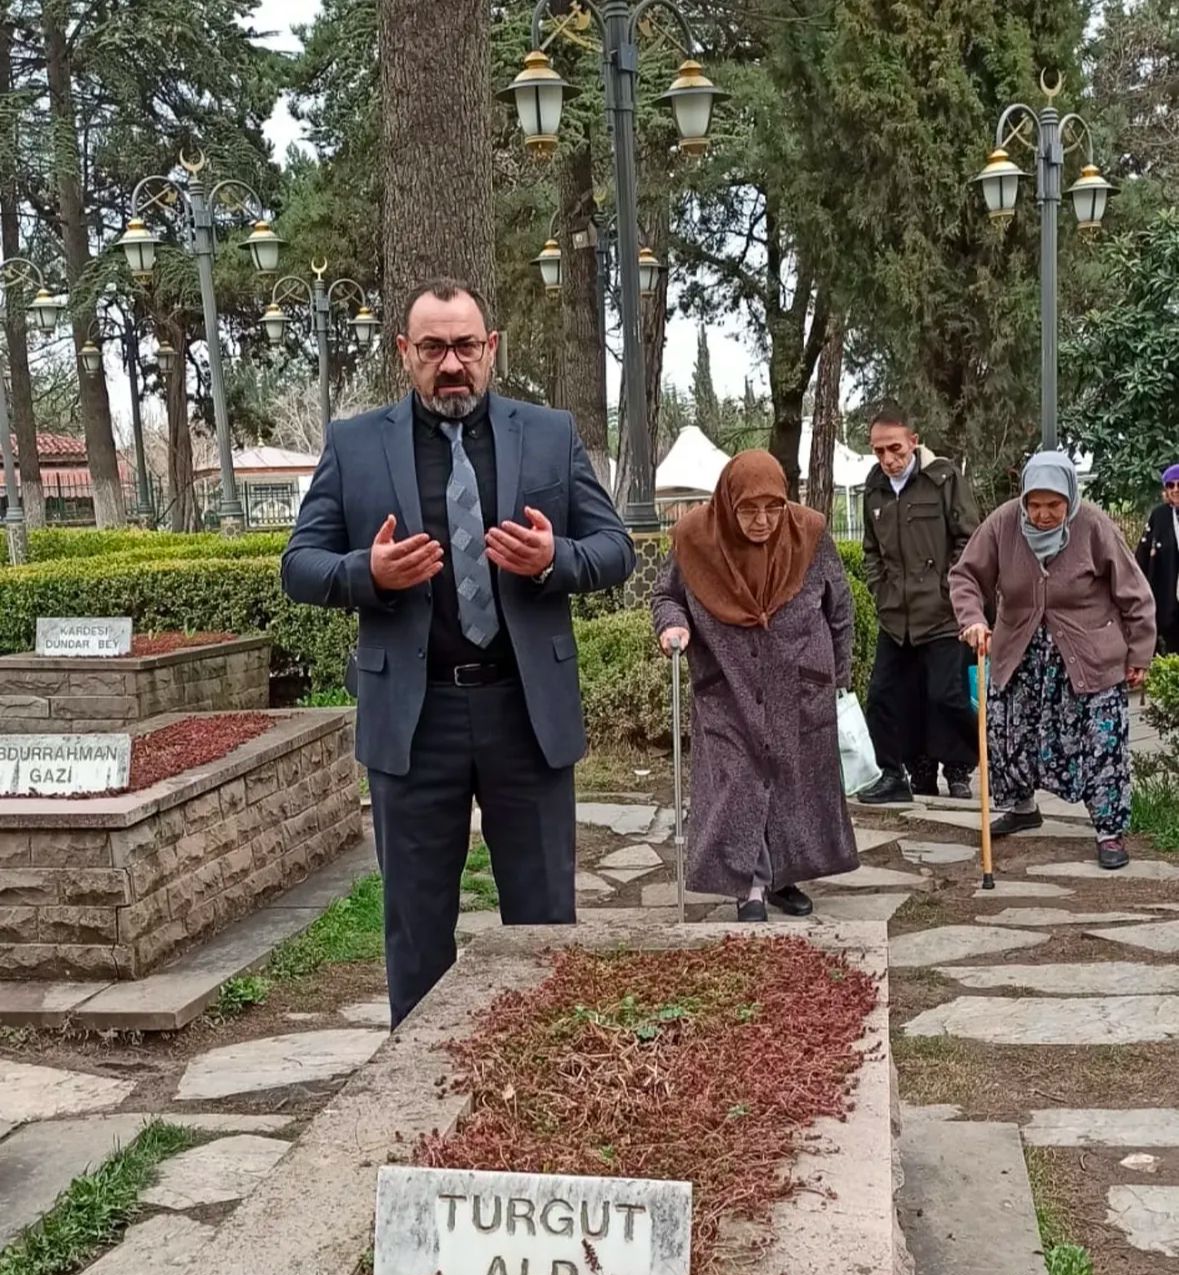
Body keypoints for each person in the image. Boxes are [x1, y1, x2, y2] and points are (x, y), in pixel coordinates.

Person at [282, 277, 635, 1024]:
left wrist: (554, 559)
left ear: (491, 348)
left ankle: (541, 1067)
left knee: (543, 923)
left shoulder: (549, 434)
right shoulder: (355, 444)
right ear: (404, 352)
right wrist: (367, 574)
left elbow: (614, 548)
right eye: (434, 348)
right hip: (415, 720)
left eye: (466, 346)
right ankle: (417, 1078)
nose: (451, 364)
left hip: (524, 712)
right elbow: (299, 565)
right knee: (416, 927)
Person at [651, 449, 859, 922]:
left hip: (798, 683)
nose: (763, 521)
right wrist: (672, 624)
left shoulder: (810, 533)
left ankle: (782, 877)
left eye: (773, 508)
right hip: (727, 685)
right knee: (738, 782)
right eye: (749, 509)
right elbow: (666, 595)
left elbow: (840, 607)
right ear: (728, 503)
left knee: (790, 781)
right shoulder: (694, 538)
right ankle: (749, 886)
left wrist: (838, 677)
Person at [950, 451, 1155, 870]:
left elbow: (1135, 593)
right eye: (1035, 504)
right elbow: (965, 575)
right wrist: (973, 619)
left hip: (1090, 657)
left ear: (1070, 498)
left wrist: (1139, 653)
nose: (1043, 515)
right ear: (1023, 498)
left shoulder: (1094, 525)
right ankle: (1023, 807)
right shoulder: (1004, 524)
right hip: (1020, 654)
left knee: (1102, 744)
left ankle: (1109, 831)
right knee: (1010, 733)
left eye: (1054, 505)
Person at [857, 402, 981, 804]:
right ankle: (900, 772)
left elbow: (969, 538)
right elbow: (871, 549)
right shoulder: (873, 487)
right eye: (879, 450)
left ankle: (961, 767)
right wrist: (881, 591)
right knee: (885, 697)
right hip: (895, 616)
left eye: (895, 448)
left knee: (946, 696)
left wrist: (951, 589)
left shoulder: (943, 478)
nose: (888, 459)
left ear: (913, 441)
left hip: (941, 613)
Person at [1135, 463, 1179, 655]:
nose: (1175, 489)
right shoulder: (1159, 516)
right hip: (1169, 602)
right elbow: (1142, 558)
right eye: (1170, 485)